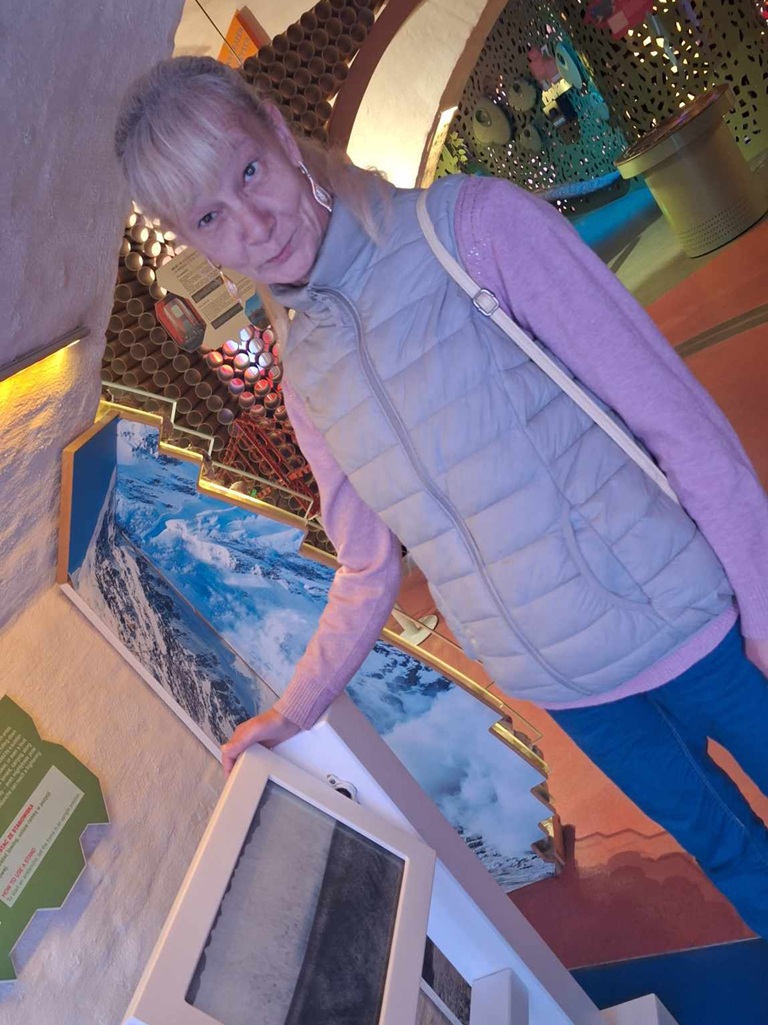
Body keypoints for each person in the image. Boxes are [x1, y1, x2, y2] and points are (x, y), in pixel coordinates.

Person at [115, 57, 768, 936]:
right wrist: (293, 710)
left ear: (277, 130)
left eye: (249, 171)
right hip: (568, 689)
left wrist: (761, 602)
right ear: (190, 241)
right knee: (730, 853)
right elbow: (366, 565)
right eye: (209, 217)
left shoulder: (473, 228)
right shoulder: (308, 376)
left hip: (694, 628)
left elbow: (677, 420)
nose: (253, 225)